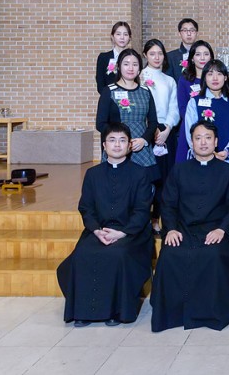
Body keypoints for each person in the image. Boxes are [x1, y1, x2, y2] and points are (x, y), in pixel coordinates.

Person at [150, 121, 229, 332]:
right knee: (171, 254)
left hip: (215, 231)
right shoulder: (179, 170)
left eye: (208, 138)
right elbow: (168, 203)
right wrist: (171, 229)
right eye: (198, 138)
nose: (203, 142)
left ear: (216, 142)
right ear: (191, 142)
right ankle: (172, 314)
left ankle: (210, 315)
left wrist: (222, 229)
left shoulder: (228, 172)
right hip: (183, 230)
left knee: (213, 255)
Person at [57, 123, 153, 327]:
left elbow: (142, 210)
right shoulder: (93, 174)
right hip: (99, 231)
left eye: (122, 140)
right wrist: (96, 230)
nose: (117, 145)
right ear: (104, 145)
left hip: (131, 233)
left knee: (117, 254)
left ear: (129, 146)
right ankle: (82, 311)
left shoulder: (140, 174)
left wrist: (122, 233)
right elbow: (86, 208)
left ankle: (115, 311)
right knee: (82, 254)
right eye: (112, 140)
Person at [96, 49, 160, 184]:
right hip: (117, 148)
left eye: (135, 64)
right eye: (126, 64)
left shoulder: (145, 91)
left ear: (139, 69)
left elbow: (153, 122)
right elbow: (100, 124)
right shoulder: (109, 91)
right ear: (119, 66)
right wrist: (120, 139)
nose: (130, 68)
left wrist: (144, 140)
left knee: (144, 188)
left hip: (140, 148)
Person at [141, 39, 180, 233]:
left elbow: (174, 108)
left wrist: (167, 129)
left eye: (160, 53)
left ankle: (158, 218)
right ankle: (143, 219)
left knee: (165, 178)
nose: (157, 57)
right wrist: (151, 130)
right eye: (152, 53)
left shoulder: (169, 80)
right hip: (145, 132)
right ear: (145, 55)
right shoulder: (139, 76)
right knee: (147, 178)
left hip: (166, 132)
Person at [183, 59, 229, 167]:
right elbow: (190, 133)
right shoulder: (194, 102)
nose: (215, 78)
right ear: (204, 78)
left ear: (225, 77)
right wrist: (206, 154)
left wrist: (227, 152)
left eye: (219, 74)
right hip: (201, 161)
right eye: (210, 74)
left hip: (227, 161)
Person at [175, 40, 214, 163]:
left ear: (211, 57)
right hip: (189, 127)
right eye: (198, 54)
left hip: (212, 127)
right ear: (192, 58)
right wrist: (196, 126)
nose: (202, 58)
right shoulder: (184, 79)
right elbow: (182, 107)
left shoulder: (215, 79)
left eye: (206, 54)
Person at [95, 21, 131, 94]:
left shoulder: (134, 58)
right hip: (109, 97)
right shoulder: (103, 57)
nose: (122, 37)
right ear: (112, 36)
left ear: (130, 38)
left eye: (125, 34)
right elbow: (100, 85)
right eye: (118, 34)